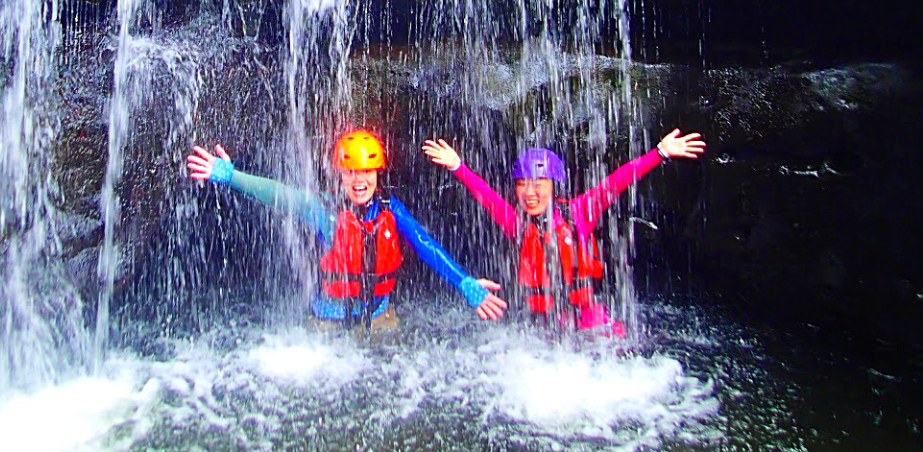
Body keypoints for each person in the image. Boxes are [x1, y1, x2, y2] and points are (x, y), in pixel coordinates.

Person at [186, 128, 508, 331]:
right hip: (328, 323)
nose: (360, 180)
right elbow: (279, 194)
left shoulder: (390, 208)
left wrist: (463, 280)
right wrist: (232, 176)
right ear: (340, 175)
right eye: (351, 172)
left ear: (377, 173)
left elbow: (424, 244)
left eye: (367, 171)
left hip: (379, 317)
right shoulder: (323, 209)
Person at [422, 128, 706, 334]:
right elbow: (485, 195)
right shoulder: (517, 224)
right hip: (544, 324)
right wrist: (457, 166)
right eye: (521, 184)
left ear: (554, 185)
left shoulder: (580, 212)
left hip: (589, 320)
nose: (529, 193)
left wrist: (660, 153)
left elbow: (617, 181)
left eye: (538, 184)